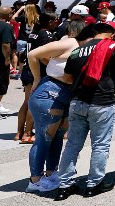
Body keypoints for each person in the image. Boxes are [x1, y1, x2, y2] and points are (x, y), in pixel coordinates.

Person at [54, 20, 115, 200]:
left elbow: (67, 77)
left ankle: (65, 185)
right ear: (110, 34)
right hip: (102, 103)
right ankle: (94, 183)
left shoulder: (77, 51)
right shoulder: (113, 48)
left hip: (78, 101)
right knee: (100, 145)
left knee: (72, 145)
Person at [24, 16, 88, 193]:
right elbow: (32, 54)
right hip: (50, 92)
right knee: (44, 139)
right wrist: (37, 78)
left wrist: (50, 63)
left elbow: (45, 57)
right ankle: (35, 180)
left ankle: (51, 172)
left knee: (57, 137)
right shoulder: (69, 42)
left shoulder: (75, 45)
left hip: (64, 93)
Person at [15, 11, 56, 143]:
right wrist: (52, 66)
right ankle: (27, 132)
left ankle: (19, 132)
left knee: (26, 102)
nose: (57, 22)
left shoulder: (33, 33)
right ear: (49, 22)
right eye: (55, 20)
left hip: (27, 69)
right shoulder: (46, 34)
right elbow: (44, 56)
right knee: (34, 104)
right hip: (37, 71)